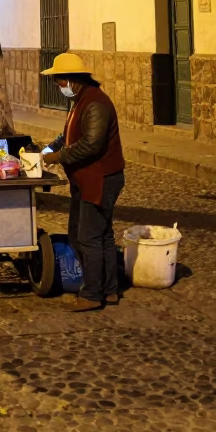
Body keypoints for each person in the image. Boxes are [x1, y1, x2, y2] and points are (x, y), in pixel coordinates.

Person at [41, 53, 126, 311]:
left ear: (72, 80)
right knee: (101, 236)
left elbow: (91, 144)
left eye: (59, 81)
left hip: (100, 179)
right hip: (90, 178)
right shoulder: (81, 100)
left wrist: (57, 156)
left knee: (88, 237)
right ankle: (110, 290)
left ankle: (92, 293)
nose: (58, 86)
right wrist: (49, 147)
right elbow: (67, 132)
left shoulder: (95, 103)